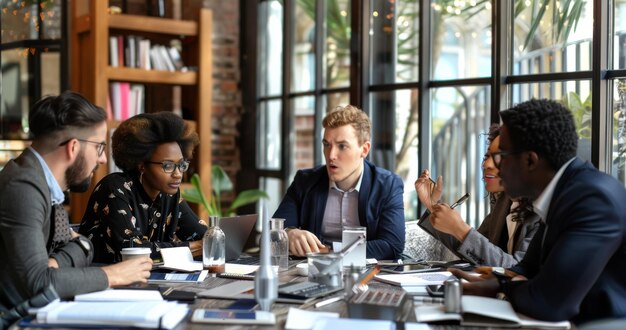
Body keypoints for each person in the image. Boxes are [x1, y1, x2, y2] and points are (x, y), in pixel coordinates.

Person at [450, 99, 626, 324]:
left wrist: (502, 286)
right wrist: (500, 281)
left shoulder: (591, 200)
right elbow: (526, 268)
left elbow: (549, 303)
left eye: (500, 156)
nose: (494, 166)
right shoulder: (564, 190)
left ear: (530, 161)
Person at [0, 91, 152, 316]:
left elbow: (83, 245)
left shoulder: (41, 181)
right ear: (73, 148)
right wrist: (115, 274)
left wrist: (60, 260)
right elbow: (39, 283)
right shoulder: (23, 188)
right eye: (99, 147)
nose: (102, 159)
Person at [273, 105, 405, 260]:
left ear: (364, 149)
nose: (331, 155)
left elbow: (392, 246)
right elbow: (271, 236)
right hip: (309, 277)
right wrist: (289, 233)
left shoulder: (388, 185)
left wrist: (330, 252)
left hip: (365, 278)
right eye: (327, 145)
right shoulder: (305, 181)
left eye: (342, 146)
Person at [79, 112, 207, 264]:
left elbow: (206, 238)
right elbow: (134, 251)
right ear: (141, 165)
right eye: (168, 166)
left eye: (181, 165)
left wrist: (206, 243)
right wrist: (194, 247)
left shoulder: (169, 195)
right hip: (102, 280)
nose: (178, 174)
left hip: (150, 280)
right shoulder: (115, 188)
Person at [414, 125, 541, 267]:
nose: (486, 164)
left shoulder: (543, 211)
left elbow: (519, 269)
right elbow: (474, 252)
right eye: (487, 156)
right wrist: (434, 207)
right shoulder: (503, 201)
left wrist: (460, 228)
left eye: (499, 157)